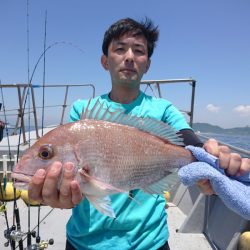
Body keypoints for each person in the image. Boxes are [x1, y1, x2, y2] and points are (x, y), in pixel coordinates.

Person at [28, 18, 250, 250]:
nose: (130, 57)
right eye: (120, 49)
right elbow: (79, 185)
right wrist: (60, 195)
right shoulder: (82, 111)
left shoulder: (163, 109)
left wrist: (211, 160)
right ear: (105, 61)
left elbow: (189, 143)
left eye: (139, 51)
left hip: (150, 242)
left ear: (147, 64)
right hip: (84, 242)